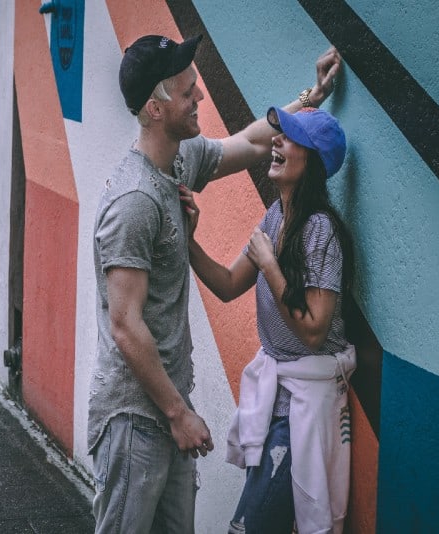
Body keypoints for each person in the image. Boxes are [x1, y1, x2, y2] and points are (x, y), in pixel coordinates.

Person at [89, 32, 341, 534]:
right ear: (156, 110)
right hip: (137, 417)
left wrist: (310, 102)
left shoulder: (179, 162)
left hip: (167, 409)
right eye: (188, 92)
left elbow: (250, 142)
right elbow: (125, 326)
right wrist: (179, 414)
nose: (200, 97)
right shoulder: (134, 201)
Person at [179, 106, 355, 533]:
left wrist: (271, 266)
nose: (276, 141)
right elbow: (226, 284)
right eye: (278, 135)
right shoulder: (276, 216)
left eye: (289, 137)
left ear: (312, 160)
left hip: (304, 409)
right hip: (278, 403)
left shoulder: (320, 230)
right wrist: (189, 238)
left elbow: (314, 329)